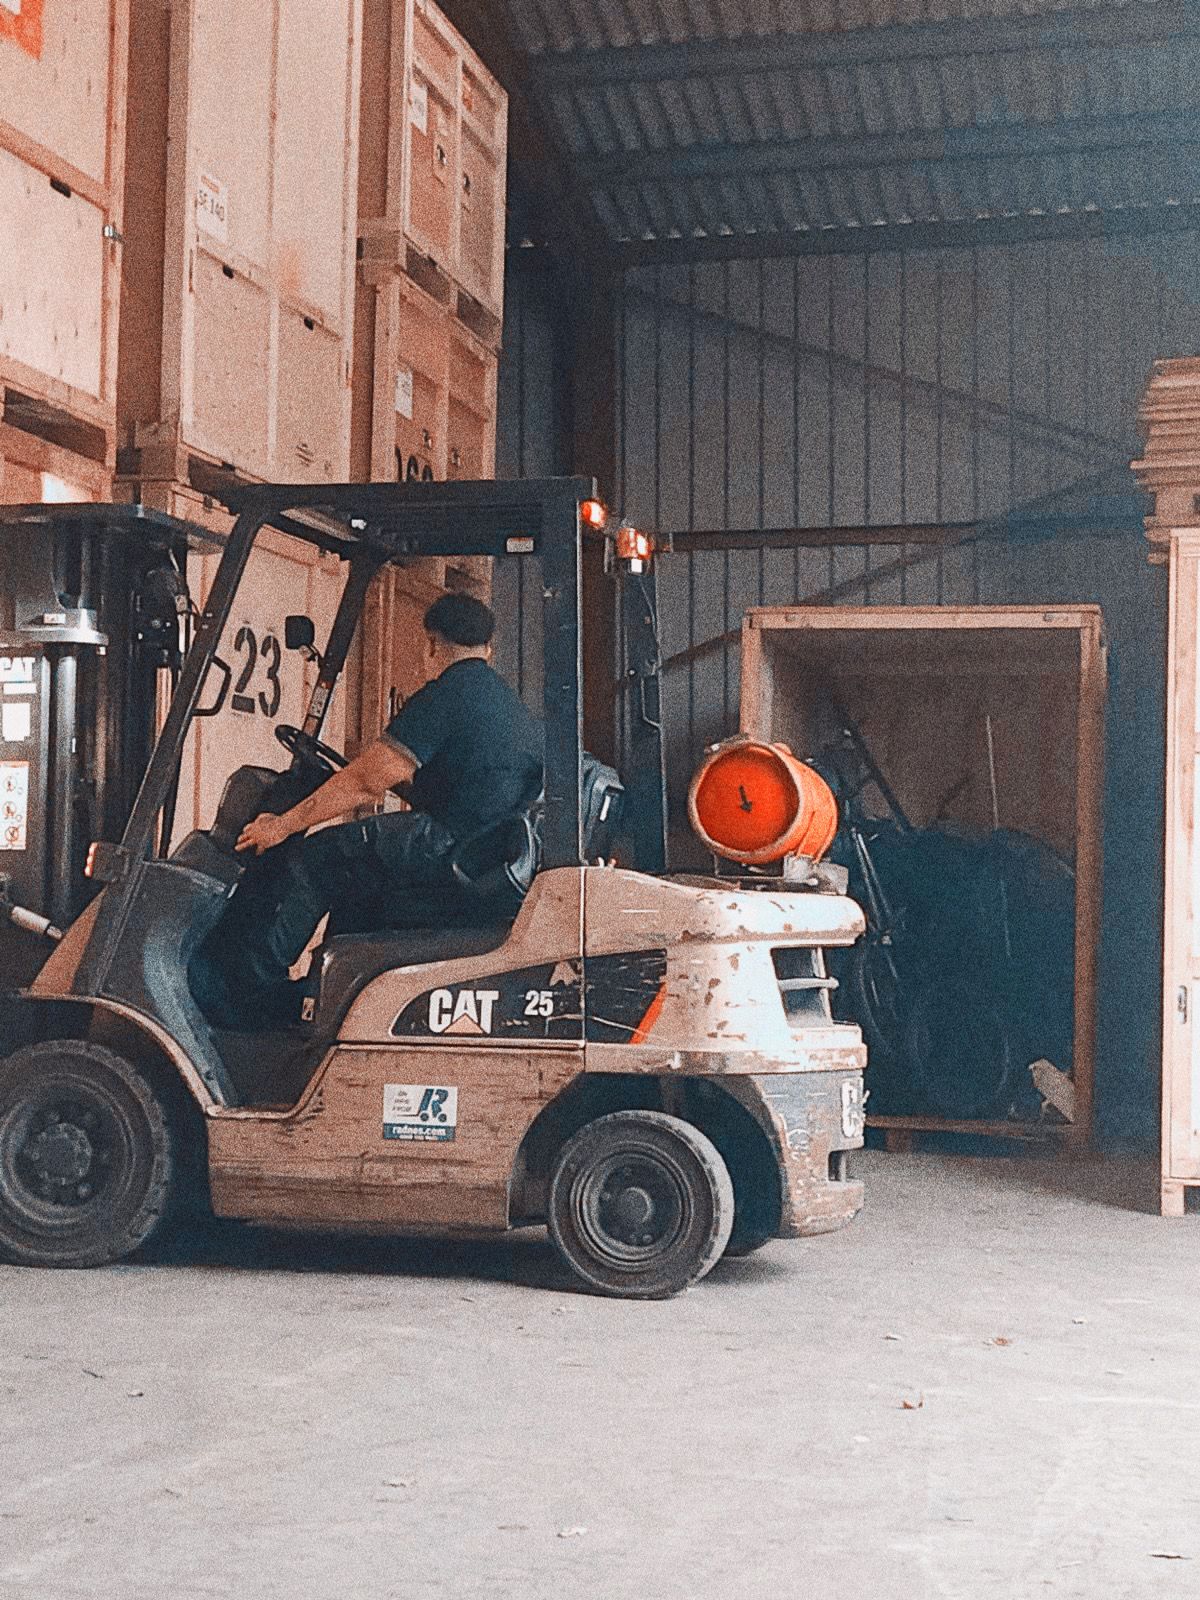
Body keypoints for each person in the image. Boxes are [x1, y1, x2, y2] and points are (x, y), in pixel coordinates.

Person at [190, 593, 543, 1030]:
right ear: (487, 648)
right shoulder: (510, 706)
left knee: (315, 859)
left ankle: (241, 994)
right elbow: (445, 780)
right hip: (479, 851)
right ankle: (324, 1000)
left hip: (448, 846)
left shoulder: (446, 696)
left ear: (432, 645)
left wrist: (281, 826)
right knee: (358, 882)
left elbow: (364, 782)